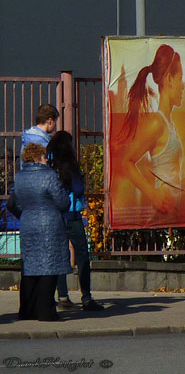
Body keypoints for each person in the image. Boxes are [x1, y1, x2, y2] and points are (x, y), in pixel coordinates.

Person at [112, 44, 185, 221]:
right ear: (169, 79)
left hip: (173, 215)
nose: (182, 86)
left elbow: (170, 173)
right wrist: (152, 194)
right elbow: (127, 162)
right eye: (180, 78)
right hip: (162, 215)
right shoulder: (157, 123)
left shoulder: (170, 123)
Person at [10, 142, 71, 321]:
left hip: (28, 224)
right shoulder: (49, 176)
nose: (47, 160)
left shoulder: (20, 177)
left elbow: (14, 204)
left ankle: (27, 311)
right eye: (44, 157)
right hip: (49, 226)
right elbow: (63, 202)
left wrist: (27, 213)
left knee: (29, 270)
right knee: (48, 269)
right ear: (37, 158)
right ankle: (46, 312)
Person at [46, 131, 104, 312]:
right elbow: (78, 189)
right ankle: (86, 297)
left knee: (60, 256)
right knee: (82, 257)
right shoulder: (70, 165)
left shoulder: (49, 164)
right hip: (72, 215)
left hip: (55, 215)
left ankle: (62, 296)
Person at [20, 104, 59, 169]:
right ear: (50, 121)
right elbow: (51, 162)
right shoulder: (42, 141)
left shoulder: (27, 136)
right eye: (55, 121)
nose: (55, 125)